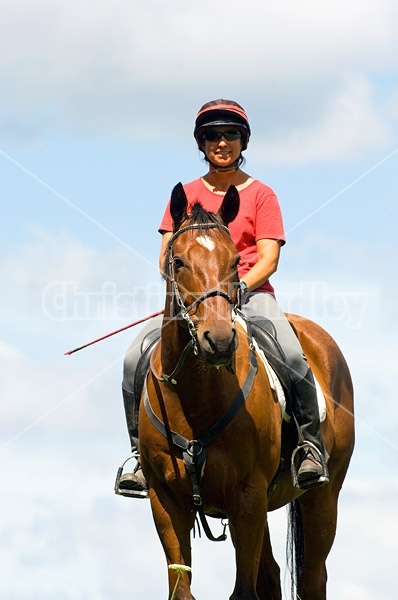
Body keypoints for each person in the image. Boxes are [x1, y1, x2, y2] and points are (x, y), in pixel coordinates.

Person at [115, 98, 329, 498]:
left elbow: (269, 257)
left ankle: (308, 448)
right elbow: (166, 254)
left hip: (249, 294)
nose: (222, 142)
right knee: (133, 359)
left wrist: (238, 288)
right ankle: (138, 458)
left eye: (230, 134)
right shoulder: (185, 195)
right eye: (213, 135)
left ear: (242, 141)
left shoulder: (261, 194)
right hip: (193, 301)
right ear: (202, 143)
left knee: (293, 355)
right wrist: (189, 290)